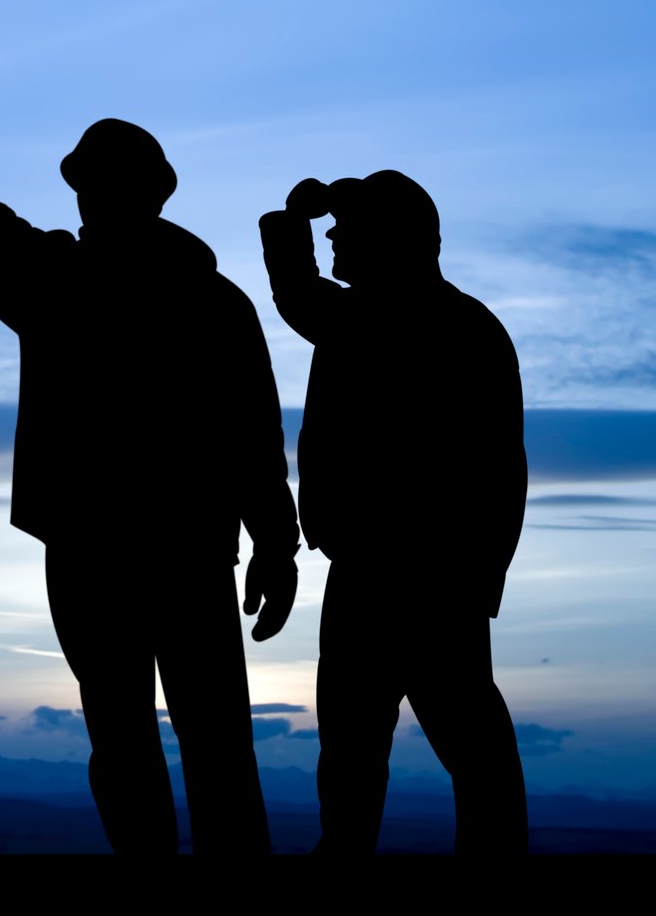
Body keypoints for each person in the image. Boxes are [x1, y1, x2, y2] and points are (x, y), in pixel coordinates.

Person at [0, 44, 299, 854]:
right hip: (140, 546)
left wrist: (276, 545)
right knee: (163, 739)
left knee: (176, 739)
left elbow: (252, 434)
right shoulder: (134, 289)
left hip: (124, 546)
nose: (87, 200)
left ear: (126, 192)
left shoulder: (90, 286)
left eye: (96, 184)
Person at [259, 172, 528, 854]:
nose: (334, 240)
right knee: (373, 750)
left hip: (416, 577)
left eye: (345, 233)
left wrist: (294, 216)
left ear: (388, 241)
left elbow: (499, 472)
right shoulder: (443, 323)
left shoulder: (390, 322)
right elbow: (505, 472)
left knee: (445, 747)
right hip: (406, 574)